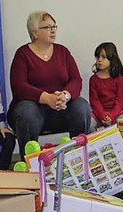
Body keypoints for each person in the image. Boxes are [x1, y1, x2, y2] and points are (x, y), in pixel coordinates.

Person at [9, 11, 91, 158]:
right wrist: (47, 98)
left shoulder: (63, 51)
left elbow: (76, 80)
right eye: (47, 27)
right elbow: (18, 86)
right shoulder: (22, 54)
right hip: (34, 111)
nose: (53, 30)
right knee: (27, 111)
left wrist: (64, 96)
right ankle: (30, 163)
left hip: (61, 109)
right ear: (34, 33)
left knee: (82, 106)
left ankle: (79, 158)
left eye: (54, 26)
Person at [89, 42, 123, 131]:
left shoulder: (118, 78)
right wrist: (103, 116)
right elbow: (94, 102)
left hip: (117, 112)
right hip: (99, 114)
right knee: (89, 123)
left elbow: (120, 102)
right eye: (97, 57)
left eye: (103, 57)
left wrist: (111, 116)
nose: (99, 60)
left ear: (112, 59)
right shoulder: (93, 79)